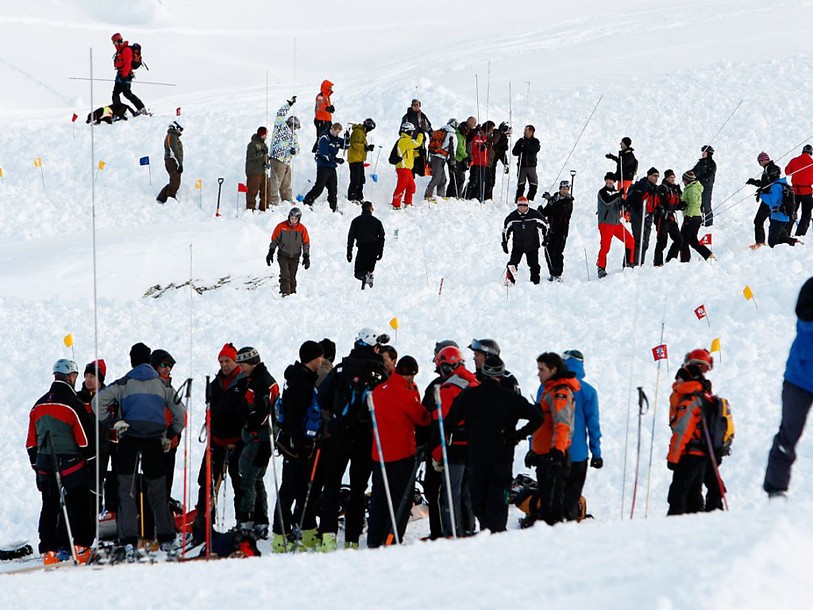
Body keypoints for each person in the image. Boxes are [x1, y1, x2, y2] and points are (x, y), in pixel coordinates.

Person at [95, 343, 185, 559]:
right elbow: (181, 415)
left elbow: (97, 402)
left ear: (132, 360)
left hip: (129, 438)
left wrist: (112, 422)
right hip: (154, 440)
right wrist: (169, 436)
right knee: (158, 490)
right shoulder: (162, 385)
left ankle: (128, 541)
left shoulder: (123, 383)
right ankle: (167, 539)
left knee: (126, 491)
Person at [444, 355, 541, 533]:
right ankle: (496, 535)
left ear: (483, 373)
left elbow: (449, 423)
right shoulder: (510, 398)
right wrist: (517, 435)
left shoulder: (470, 396)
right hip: (502, 458)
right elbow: (538, 417)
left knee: (479, 504)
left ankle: (486, 531)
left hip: (477, 458)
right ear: (501, 375)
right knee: (498, 505)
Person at [317, 328, 389, 550]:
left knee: (332, 484)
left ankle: (327, 537)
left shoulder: (342, 368)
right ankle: (352, 540)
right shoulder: (380, 373)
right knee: (358, 489)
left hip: (339, 434)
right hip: (365, 437)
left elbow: (322, 396)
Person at [26, 359, 96, 565]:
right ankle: (81, 548)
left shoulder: (38, 404)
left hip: (44, 462)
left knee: (49, 506)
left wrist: (36, 465)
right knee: (80, 504)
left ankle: (49, 552)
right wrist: (91, 460)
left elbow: (31, 442)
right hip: (70, 463)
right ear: (71, 376)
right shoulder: (73, 404)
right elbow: (85, 441)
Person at [367, 356, 431, 548]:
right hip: (401, 454)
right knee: (401, 499)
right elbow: (422, 418)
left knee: (379, 499)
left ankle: (374, 539)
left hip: (379, 454)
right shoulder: (405, 393)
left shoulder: (380, 390)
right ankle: (392, 538)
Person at [192, 343, 249, 543]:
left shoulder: (244, 382)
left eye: (227, 361)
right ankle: (204, 524)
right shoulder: (215, 383)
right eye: (221, 361)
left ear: (235, 361)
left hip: (237, 441)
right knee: (206, 482)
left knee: (240, 484)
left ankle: (243, 522)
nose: (224, 365)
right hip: (216, 440)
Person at [272, 340, 325, 552]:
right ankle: (280, 535)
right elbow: (294, 417)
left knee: (304, 489)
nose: (322, 360)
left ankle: (307, 530)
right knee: (290, 489)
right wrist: (301, 444)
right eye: (320, 357)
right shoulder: (299, 383)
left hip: (302, 443)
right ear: (312, 358)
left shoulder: (304, 378)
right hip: (296, 445)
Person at [764, 277, 813, 498]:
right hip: (799, 378)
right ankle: (776, 489)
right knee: (788, 435)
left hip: (799, 374)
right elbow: (804, 316)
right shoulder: (811, 289)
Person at [523, 352, 579, 526]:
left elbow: (562, 424)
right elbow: (544, 425)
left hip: (553, 457)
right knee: (547, 505)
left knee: (552, 509)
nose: (538, 374)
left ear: (553, 370)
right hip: (545, 455)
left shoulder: (559, 392)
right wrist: (534, 450)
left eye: (542, 370)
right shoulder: (550, 390)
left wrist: (557, 453)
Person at [431, 345, 479, 537]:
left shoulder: (449, 388)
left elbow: (442, 423)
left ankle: (453, 531)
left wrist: (436, 454)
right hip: (474, 446)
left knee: (451, 493)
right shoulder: (474, 383)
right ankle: (469, 528)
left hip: (454, 447)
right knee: (468, 492)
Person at [235, 347, 279, 540]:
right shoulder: (258, 380)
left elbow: (263, 412)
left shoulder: (261, 382)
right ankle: (260, 521)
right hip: (262, 437)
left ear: (252, 363)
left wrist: (249, 425)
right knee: (256, 479)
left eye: (243, 364)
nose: (241, 368)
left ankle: (247, 521)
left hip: (259, 438)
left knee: (248, 479)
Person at [666, 349, 716, 515]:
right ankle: (697, 524)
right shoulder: (704, 395)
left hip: (689, 454)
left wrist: (673, 458)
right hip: (703, 454)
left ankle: (673, 526)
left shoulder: (689, 398)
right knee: (694, 495)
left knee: (678, 495)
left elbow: (682, 431)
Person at [420, 340, 459, 540]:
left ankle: (445, 531)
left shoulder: (441, 387)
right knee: (440, 491)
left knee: (438, 491)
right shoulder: (464, 384)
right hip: (444, 445)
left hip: (442, 446)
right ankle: (444, 530)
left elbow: (426, 418)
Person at [561, 350, 602, 521]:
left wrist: (533, 448)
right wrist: (596, 453)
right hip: (578, 454)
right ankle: (569, 522)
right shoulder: (588, 391)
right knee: (572, 496)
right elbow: (593, 425)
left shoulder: (548, 387)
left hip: (553, 451)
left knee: (553, 495)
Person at [149, 349, 181, 500]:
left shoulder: (170, 389)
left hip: (170, 445)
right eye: (163, 365)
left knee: (166, 484)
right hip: (153, 445)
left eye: (170, 366)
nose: (167, 369)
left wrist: (174, 436)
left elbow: (180, 416)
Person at [595, 172, 635, 278]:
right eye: (607, 180)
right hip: (606, 224)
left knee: (630, 240)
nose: (609, 182)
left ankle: (629, 262)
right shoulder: (602, 192)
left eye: (611, 180)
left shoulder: (617, 193)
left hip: (616, 223)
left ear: (614, 182)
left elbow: (620, 205)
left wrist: (624, 204)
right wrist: (618, 195)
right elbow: (607, 201)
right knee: (605, 247)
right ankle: (601, 267)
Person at [302, 123, 348, 212]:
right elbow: (324, 153)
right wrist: (335, 159)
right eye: (336, 132)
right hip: (323, 165)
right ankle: (307, 202)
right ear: (332, 129)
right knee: (319, 186)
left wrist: (347, 138)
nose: (337, 134)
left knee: (333, 188)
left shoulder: (336, 139)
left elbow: (346, 146)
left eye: (339, 133)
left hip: (331, 166)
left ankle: (333, 207)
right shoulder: (325, 137)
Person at [267, 207, 311, 297]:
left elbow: (306, 243)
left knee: (292, 277)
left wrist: (306, 256)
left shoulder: (302, 229)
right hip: (283, 255)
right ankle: (285, 294)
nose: (293, 221)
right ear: (289, 217)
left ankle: (293, 295)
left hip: (295, 256)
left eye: (295, 219)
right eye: (291, 218)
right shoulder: (281, 227)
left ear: (299, 219)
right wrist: (271, 252)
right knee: (285, 275)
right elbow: (274, 240)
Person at [503, 197, 547, 285]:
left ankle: (535, 281)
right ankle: (510, 280)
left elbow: (545, 225)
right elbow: (505, 231)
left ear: (527, 206)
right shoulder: (512, 217)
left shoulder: (534, 214)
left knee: (534, 265)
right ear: (517, 206)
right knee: (512, 264)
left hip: (532, 245)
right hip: (518, 245)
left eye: (524, 206)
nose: (522, 208)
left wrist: (546, 238)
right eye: (520, 206)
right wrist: (504, 243)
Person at [539, 180, 574, 282]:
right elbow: (547, 212)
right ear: (560, 189)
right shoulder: (554, 199)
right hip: (551, 230)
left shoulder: (569, 201)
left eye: (567, 189)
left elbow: (560, 210)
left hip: (562, 231)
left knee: (557, 252)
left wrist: (551, 200)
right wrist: (541, 211)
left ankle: (558, 274)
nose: (565, 191)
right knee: (548, 252)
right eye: (563, 189)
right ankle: (552, 273)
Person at [624, 167, 660, 267]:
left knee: (645, 242)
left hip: (648, 217)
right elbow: (633, 200)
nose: (656, 178)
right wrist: (640, 211)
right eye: (654, 176)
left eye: (657, 176)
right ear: (649, 176)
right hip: (638, 217)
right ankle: (631, 262)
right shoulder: (642, 185)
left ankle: (639, 262)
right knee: (638, 241)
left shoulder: (654, 188)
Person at [268, 97, 301, 206]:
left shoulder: (294, 135)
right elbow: (279, 115)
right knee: (276, 180)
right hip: (278, 158)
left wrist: (294, 151)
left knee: (286, 181)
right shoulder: (280, 126)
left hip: (287, 160)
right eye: (295, 126)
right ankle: (273, 201)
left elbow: (297, 147)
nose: (295, 129)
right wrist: (289, 105)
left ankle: (286, 198)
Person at [746, 151, 782, 249]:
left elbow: (773, 183)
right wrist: (755, 182)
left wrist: (763, 190)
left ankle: (760, 242)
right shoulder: (767, 169)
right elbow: (765, 184)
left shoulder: (772, 168)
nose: (759, 164)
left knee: (758, 221)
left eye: (759, 161)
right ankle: (775, 241)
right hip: (770, 198)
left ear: (763, 160)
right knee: (772, 221)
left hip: (769, 199)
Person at [347, 200, 385, 289]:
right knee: (369, 269)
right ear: (370, 209)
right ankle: (367, 278)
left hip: (363, 249)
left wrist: (349, 251)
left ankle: (365, 278)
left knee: (358, 273)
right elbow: (382, 237)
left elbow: (351, 237)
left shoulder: (356, 221)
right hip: (374, 249)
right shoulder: (377, 222)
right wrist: (380, 251)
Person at [679, 171, 714, 262]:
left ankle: (685, 260)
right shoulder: (692, 188)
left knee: (683, 239)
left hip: (692, 217)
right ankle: (708, 255)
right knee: (693, 240)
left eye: (684, 180)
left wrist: (688, 216)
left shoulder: (692, 189)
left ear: (687, 180)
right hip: (696, 217)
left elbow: (693, 203)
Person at [758, 169, 799, 248]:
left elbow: (772, 202)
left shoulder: (776, 187)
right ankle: (792, 242)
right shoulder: (784, 184)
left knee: (772, 241)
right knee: (780, 236)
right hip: (785, 217)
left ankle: (791, 243)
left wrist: (762, 195)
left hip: (778, 217)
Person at [653, 169, 684, 267]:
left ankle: (671, 260)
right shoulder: (663, 188)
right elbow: (659, 202)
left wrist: (681, 205)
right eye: (670, 177)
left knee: (679, 239)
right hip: (662, 218)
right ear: (666, 178)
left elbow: (675, 204)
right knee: (662, 241)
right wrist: (662, 210)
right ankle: (658, 262)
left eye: (673, 177)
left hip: (670, 217)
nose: (672, 179)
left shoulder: (675, 189)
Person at [110, 33, 146, 115]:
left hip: (125, 75)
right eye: (113, 42)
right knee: (115, 94)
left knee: (127, 93)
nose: (114, 44)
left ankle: (141, 109)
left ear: (119, 41)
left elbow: (128, 64)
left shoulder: (126, 50)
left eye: (115, 42)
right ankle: (119, 112)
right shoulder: (120, 50)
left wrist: (124, 75)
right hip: (120, 74)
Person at [392, 122, 425, 209]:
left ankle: (407, 203)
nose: (413, 133)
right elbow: (417, 143)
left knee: (411, 187)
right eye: (412, 131)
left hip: (407, 169)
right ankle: (396, 205)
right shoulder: (404, 140)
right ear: (407, 131)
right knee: (401, 187)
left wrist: (418, 153)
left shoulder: (406, 141)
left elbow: (409, 153)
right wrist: (421, 134)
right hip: (403, 168)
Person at [424, 120, 457, 201]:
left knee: (443, 179)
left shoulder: (443, 130)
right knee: (437, 177)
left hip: (435, 156)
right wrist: (453, 162)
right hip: (440, 157)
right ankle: (428, 195)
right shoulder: (451, 134)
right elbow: (452, 148)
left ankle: (440, 195)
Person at [785, 144, 813, 237]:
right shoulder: (812, 163)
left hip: (795, 191)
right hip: (807, 192)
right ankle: (800, 234)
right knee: (806, 215)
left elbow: (787, 172)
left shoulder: (794, 160)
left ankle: (785, 234)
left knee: (792, 212)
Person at [401, 99, 432, 176]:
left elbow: (428, 127)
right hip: (410, 143)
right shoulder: (407, 117)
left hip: (420, 143)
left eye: (417, 105)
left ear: (420, 106)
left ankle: (422, 176)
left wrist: (431, 134)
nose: (416, 107)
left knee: (422, 162)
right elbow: (401, 130)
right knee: (410, 161)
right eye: (414, 105)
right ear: (411, 106)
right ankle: (411, 176)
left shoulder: (422, 116)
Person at [347, 119, 376, 202]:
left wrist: (367, 148)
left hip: (359, 159)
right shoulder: (358, 132)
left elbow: (360, 145)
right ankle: (352, 196)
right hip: (355, 159)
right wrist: (365, 147)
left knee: (361, 179)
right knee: (355, 179)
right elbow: (355, 144)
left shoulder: (362, 133)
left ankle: (359, 196)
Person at [466, 121, 495, 202]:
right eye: (491, 129)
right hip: (476, 162)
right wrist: (480, 147)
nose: (492, 131)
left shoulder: (485, 136)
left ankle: (475, 198)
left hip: (483, 162)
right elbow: (473, 147)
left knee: (480, 182)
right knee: (473, 181)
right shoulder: (476, 135)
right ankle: (467, 197)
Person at [156, 121, 184, 204]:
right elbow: (174, 150)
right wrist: (179, 164)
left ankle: (161, 198)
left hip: (172, 160)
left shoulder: (173, 136)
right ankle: (170, 198)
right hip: (172, 160)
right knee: (175, 181)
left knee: (174, 180)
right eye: (180, 129)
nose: (180, 131)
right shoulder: (172, 136)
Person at [512, 125, 541, 202]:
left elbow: (535, 149)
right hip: (522, 166)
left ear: (531, 132)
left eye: (526, 131)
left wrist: (526, 146)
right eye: (524, 130)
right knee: (521, 185)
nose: (524, 132)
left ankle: (529, 200)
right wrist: (520, 148)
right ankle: (518, 201)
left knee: (533, 185)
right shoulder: (520, 141)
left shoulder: (535, 141)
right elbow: (514, 152)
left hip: (531, 167)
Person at [245, 127, 269, 211]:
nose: (267, 135)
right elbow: (251, 156)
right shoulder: (252, 144)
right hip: (254, 172)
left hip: (263, 171)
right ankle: (250, 208)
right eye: (266, 133)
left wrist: (267, 161)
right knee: (252, 191)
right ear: (262, 134)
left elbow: (265, 156)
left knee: (265, 190)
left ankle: (264, 207)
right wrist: (262, 153)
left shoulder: (264, 144)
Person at [692, 145, 717, 227]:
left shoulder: (712, 164)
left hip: (707, 187)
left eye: (704, 152)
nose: (702, 153)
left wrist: (698, 177)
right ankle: (698, 222)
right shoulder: (700, 163)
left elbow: (709, 175)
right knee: (698, 204)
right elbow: (694, 170)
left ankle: (708, 223)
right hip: (698, 186)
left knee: (706, 205)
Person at [448, 121, 470, 198]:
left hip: (460, 160)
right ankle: (451, 195)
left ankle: (458, 194)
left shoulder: (463, 136)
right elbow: (459, 148)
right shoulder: (458, 135)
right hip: (456, 158)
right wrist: (466, 155)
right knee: (455, 179)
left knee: (461, 179)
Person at [312, 80, 334, 152]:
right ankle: (316, 151)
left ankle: (324, 150)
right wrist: (327, 108)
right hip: (321, 120)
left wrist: (330, 108)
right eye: (329, 87)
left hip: (326, 120)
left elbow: (326, 106)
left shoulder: (326, 96)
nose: (331, 89)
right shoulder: (320, 96)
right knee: (321, 137)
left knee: (328, 136)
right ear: (325, 88)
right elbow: (321, 106)